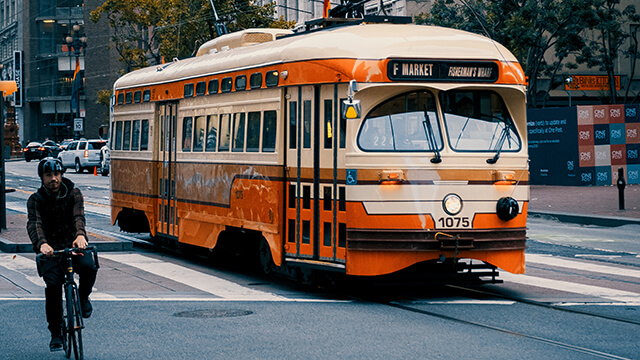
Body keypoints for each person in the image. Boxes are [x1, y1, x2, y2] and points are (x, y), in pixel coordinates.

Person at [27, 158, 98, 352]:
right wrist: (42, 244)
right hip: (51, 251)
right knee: (53, 286)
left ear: (61, 175)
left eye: (56, 174)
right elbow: (35, 224)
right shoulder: (35, 199)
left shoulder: (74, 193)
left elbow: (78, 216)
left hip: (73, 244)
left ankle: (83, 297)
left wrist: (80, 235)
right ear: (42, 178)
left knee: (89, 267)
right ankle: (56, 333)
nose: (53, 179)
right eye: (48, 175)